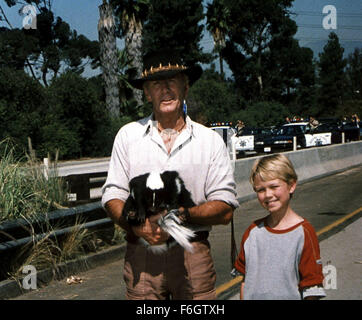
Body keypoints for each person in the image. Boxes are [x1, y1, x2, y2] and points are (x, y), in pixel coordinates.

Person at [102, 49, 239, 300]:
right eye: (156, 84)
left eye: (172, 81)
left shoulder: (209, 141)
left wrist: (182, 216)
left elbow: (225, 208)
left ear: (185, 88)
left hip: (192, 250)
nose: (165, 90)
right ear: (146, 92)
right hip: (141, 256)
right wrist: (138, 227)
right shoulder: (127, 136)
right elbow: (112, 194)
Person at [234, 154, 326, 300]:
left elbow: (311, 287)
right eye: (261, 190)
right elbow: (246, 281)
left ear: (291, 185)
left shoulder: (303, 233)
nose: (268, 194)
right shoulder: (253, 232)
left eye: (274, 186)